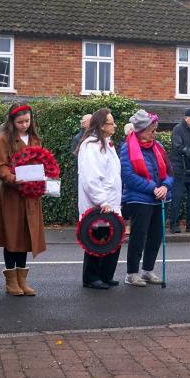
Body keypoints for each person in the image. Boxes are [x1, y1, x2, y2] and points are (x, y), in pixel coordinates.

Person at [0, 103, 47, 296]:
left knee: (25, 235)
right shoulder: (4, 138)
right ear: (12, 122)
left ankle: (22, 280)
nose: (24, 125)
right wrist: (14, 178)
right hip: (13, 195)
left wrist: (44, 176)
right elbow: (1, 166)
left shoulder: (34, 138)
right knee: (12, 236)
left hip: (30, 195)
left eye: (27, 121)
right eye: (20, 121)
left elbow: (42, 161)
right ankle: (11, 282)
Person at [117, 111, 173, 286]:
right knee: (138, 236)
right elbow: (128, 175)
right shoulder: (127, 147)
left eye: (155, 130)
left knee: (156, 235)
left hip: (159, 198)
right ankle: (132, 273)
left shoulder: (159, 147)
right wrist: (153, 188)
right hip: (139, 199)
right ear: (140, 131)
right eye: (151, 131)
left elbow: (170, 172)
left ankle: (148, 270)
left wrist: (165, 186)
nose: (154, 134)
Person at [77, 108, 124, 290]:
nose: (115, 125)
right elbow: (91, 177)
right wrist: (102, 201)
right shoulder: (91, 146)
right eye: (111, 123)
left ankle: (105, 275)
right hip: (99, 204)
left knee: (112, 239)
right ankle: (91, 277)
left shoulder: (107, 143)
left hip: (111, 202)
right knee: (96, 240)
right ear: (102, 126)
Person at [169, 110, 190, 234]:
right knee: (177, 198)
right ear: (186, 118)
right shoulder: (177, 129)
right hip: (179, 169)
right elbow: (178, 146)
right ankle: (174, 224)